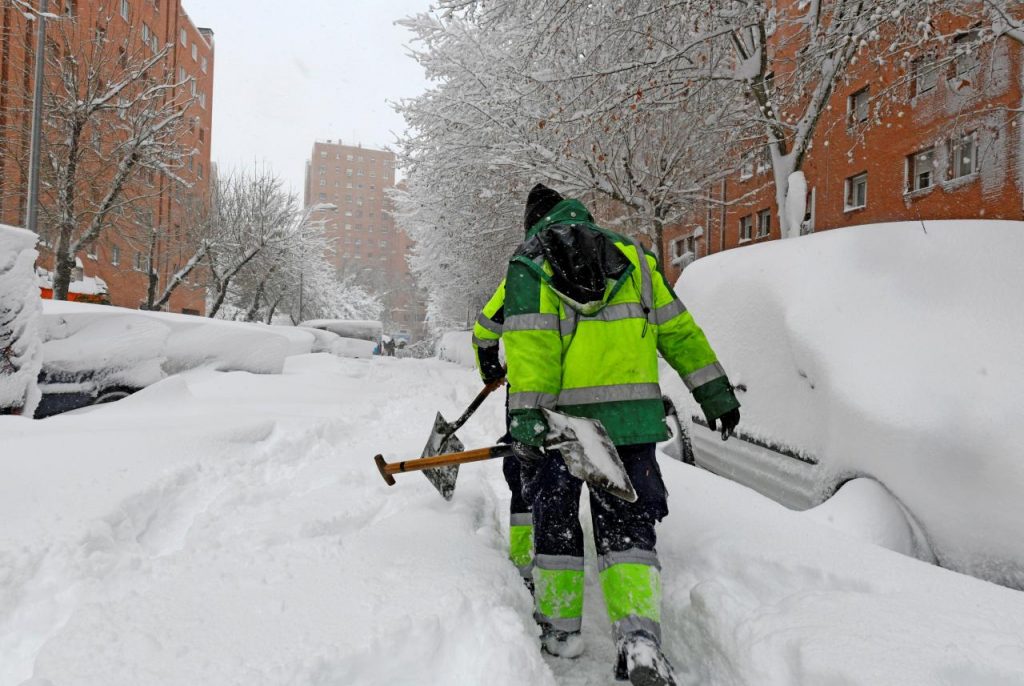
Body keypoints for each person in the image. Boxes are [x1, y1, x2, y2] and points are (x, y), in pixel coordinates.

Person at [503, 184, 740, 686]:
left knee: (557, 524)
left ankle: (561, 631)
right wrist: (713, 390)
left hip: (563, 429)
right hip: (630, 426)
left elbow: (533, 349)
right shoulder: (633, 256)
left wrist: (525, 416)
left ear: (534, 224)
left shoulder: (530, 264)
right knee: (628, 530)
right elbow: (678, 331)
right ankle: (639, 640)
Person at [472, 184, 564, 589]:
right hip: (584, 393)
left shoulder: (527, 266)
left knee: (523, 469)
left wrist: (491, 367)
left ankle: (525, 562)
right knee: (561, 481)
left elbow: (484, 329)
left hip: (528, 394)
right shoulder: (599, 255)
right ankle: (557, 555)